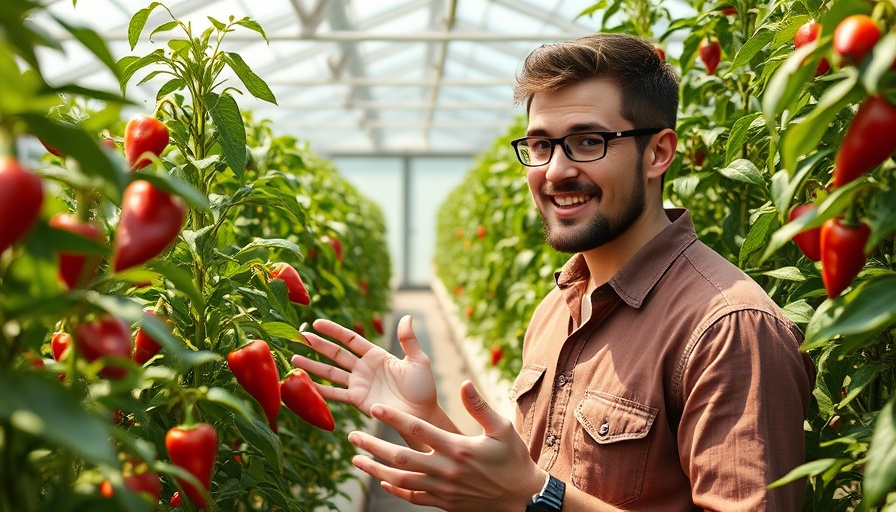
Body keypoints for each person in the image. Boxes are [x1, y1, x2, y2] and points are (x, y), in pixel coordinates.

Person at [291, 33, 815, 511]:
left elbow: (531, 496)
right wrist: (424, 417)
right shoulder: (555, 309)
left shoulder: (729, 329)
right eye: (540, 145)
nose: (556, 170)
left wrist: (540, 497)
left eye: (589, 142)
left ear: (658, 153)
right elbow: (513, 491)